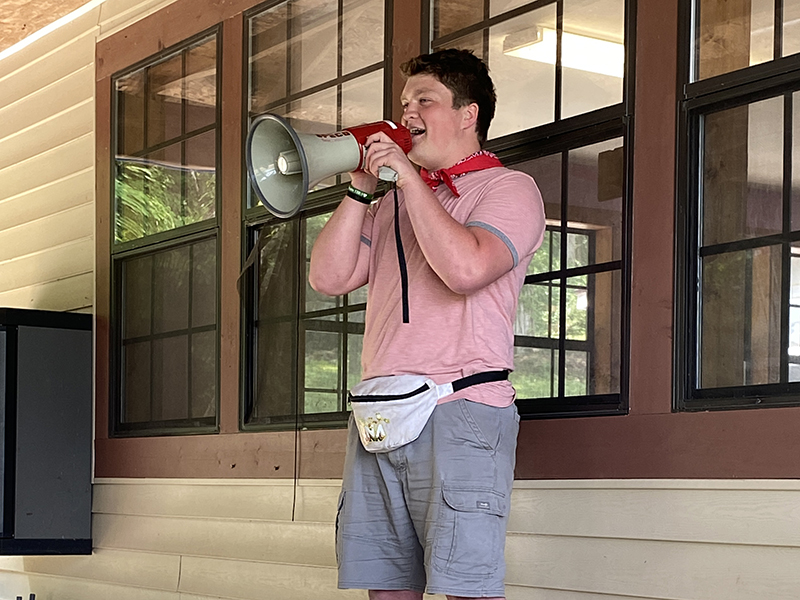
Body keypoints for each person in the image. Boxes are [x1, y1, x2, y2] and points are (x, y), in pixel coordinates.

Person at [309, 48, 545, 600]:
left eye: (425, 100)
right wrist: (362, 189)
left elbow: (466, 268)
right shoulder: (392, 201)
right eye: (404, 101)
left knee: (465, 587)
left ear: (469, 114)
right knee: (386, 587)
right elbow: (328, 276)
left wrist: (411, 182)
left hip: (460, 408)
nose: (407, 112)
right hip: (380, 410)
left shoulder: (509, 189)